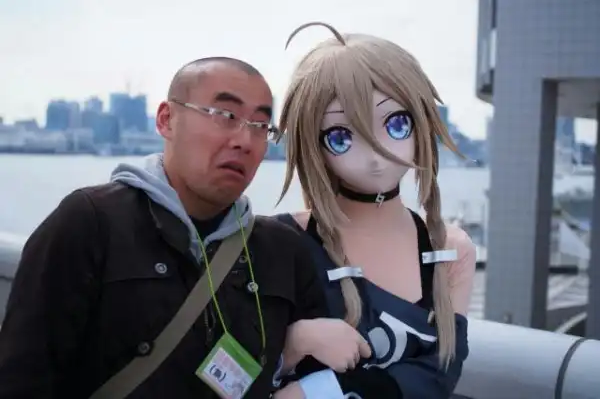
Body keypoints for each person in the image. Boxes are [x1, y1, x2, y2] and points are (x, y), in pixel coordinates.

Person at [0, 56, 335, 399]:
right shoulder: (91, 222)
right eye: (226, 116)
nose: (245, 141)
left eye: (261, 126)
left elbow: (317, 378)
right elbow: (23, 378)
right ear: (166, 120)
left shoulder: (281, 250)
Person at [272, 23, 477, 399]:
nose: (374, 155)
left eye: (396, 124)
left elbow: (441, 370)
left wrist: (320, 391)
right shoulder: (277, 242)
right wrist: (294, 342)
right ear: (311, 145)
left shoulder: (451, 249)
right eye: (341, 136)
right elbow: (228, 362)